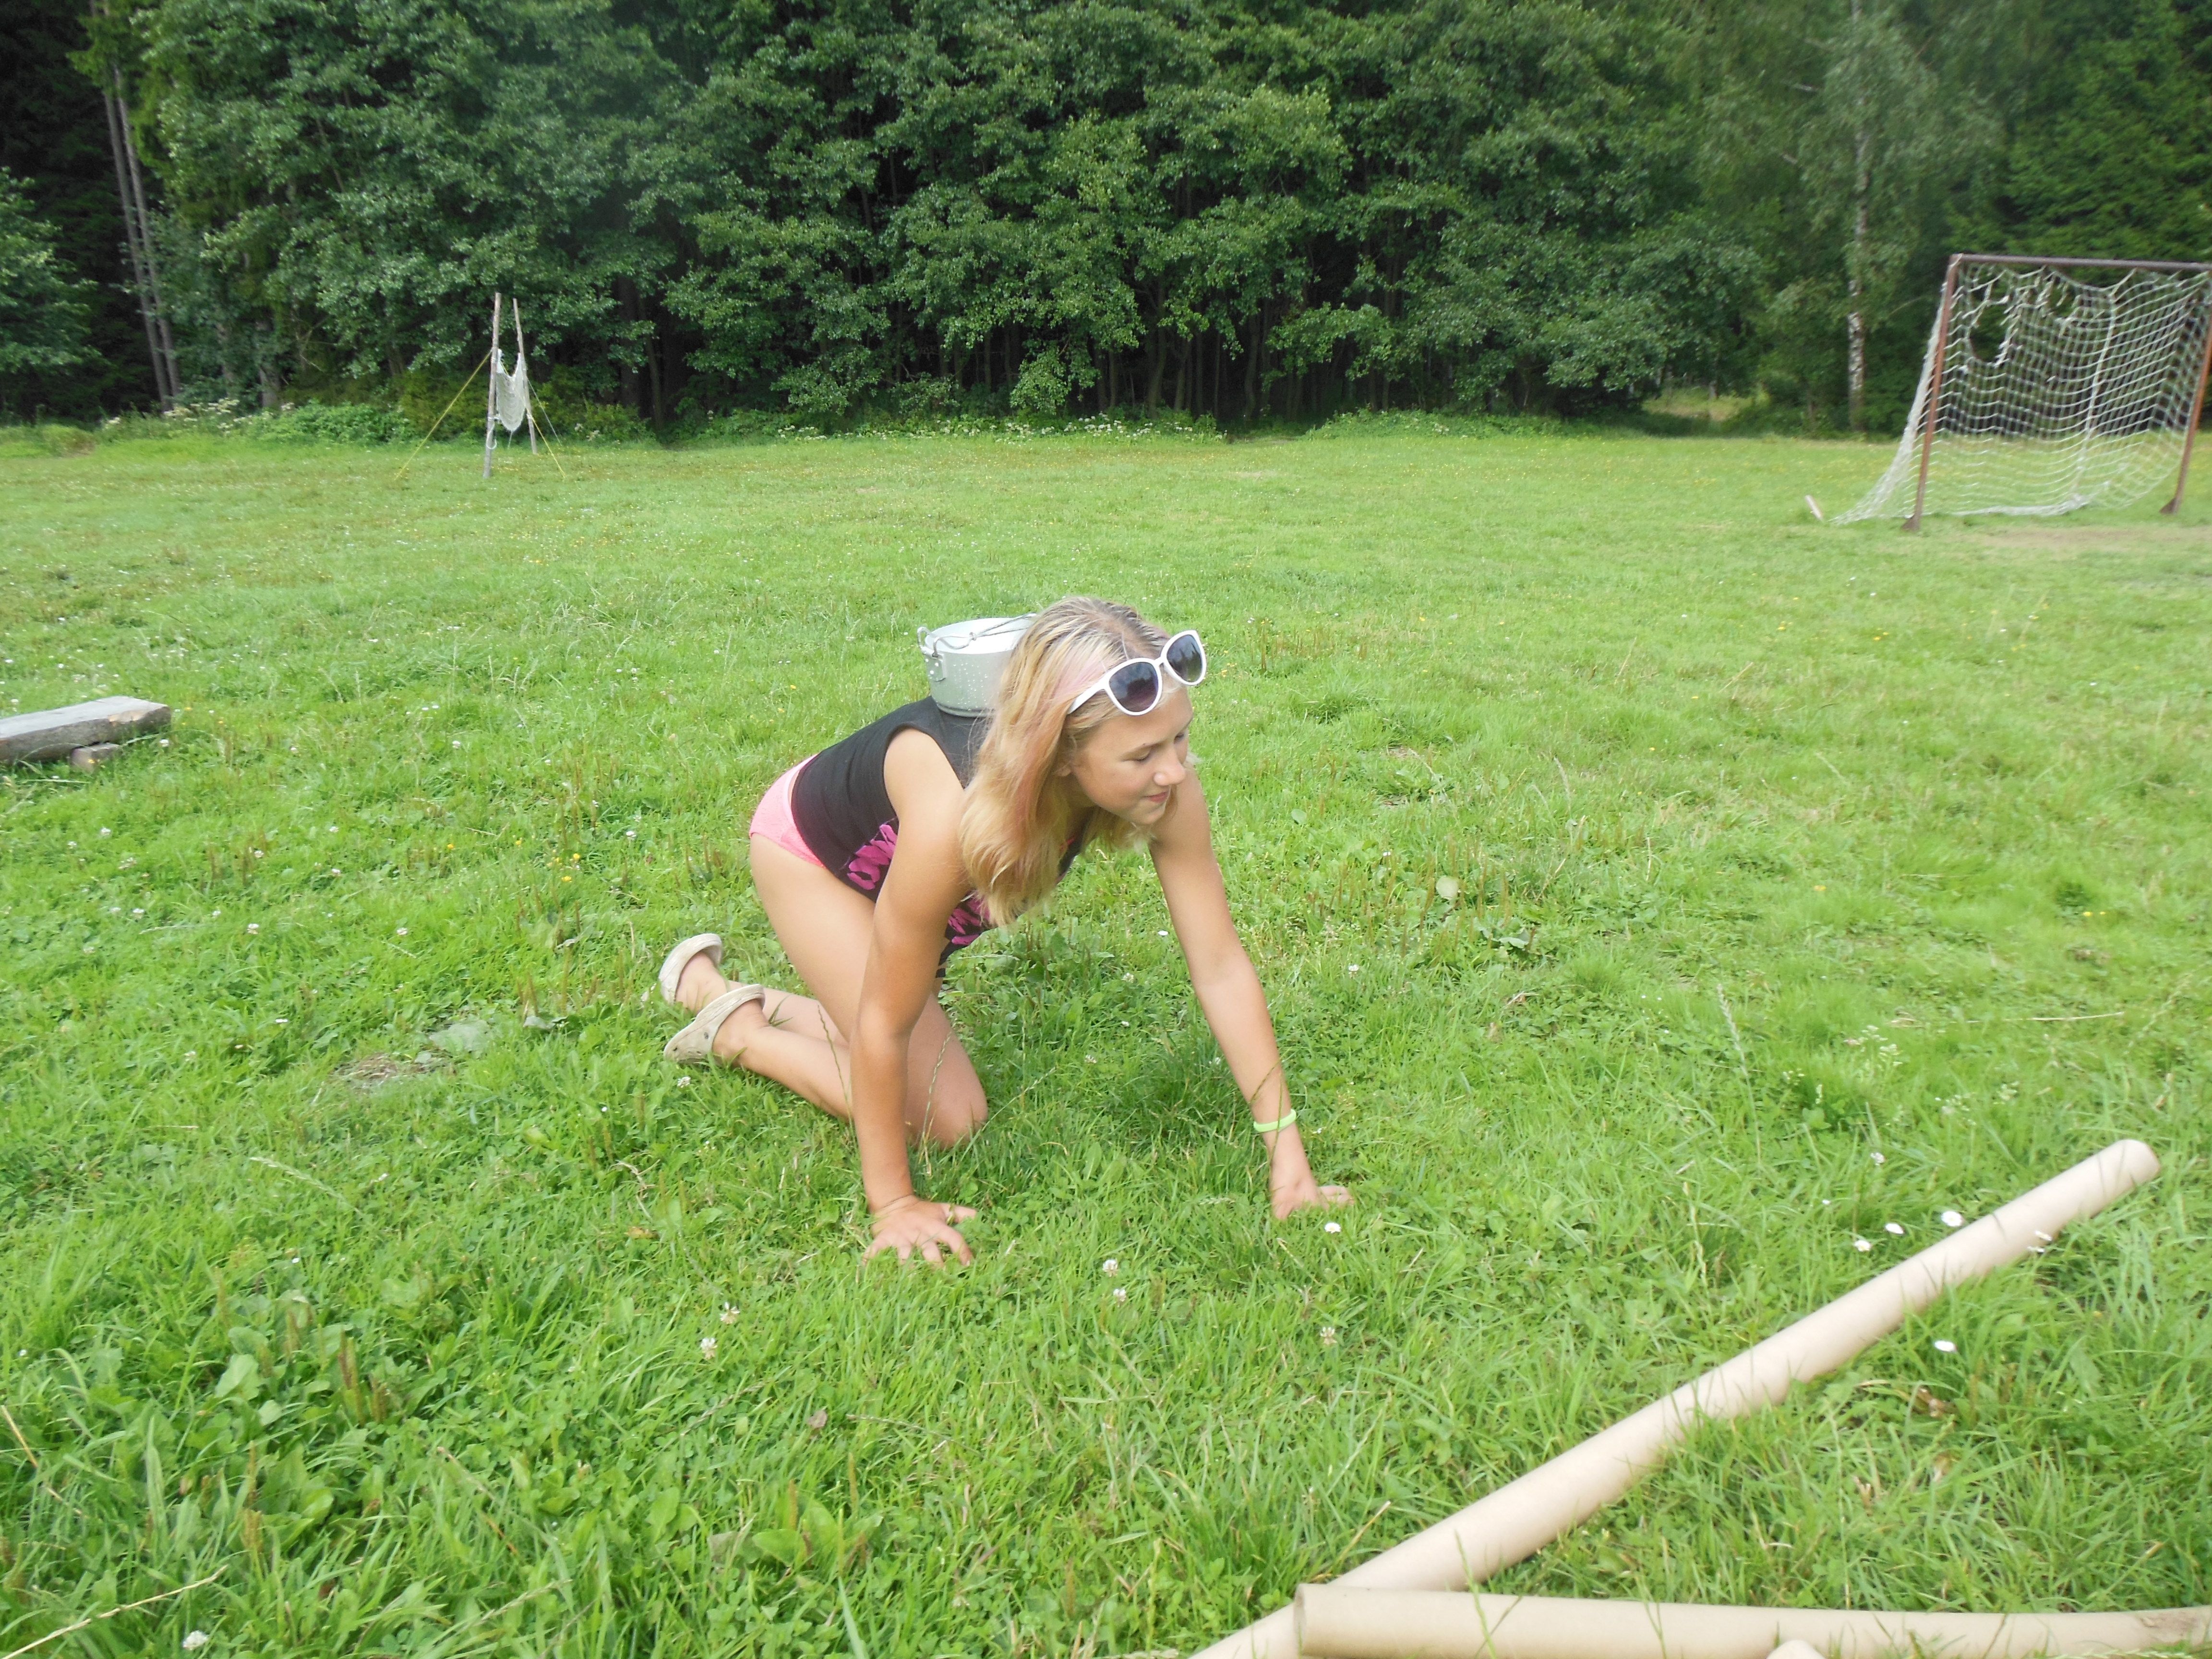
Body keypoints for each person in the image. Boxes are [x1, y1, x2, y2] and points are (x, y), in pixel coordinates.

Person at [657, 597, 1349, 1264]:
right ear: (1061, 752)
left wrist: (1287, 1157)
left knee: (902, 1044)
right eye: (1141, 756)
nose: (1173, 769)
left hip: (899, 891)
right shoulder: (954, 818)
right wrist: (893, 1205)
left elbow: (1220, 966)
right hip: (815, 863)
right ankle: (739, 1029)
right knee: (947, 1119)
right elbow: (885, 1024)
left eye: (1180, 737)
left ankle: (748, 999)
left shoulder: (1168, 786)